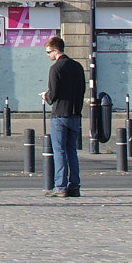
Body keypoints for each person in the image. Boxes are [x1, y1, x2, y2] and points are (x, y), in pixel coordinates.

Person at [42, 36, 86, 197]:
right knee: (72, 151)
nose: (48, 56)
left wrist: (45, 96)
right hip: (75, 113)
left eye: (48, 52)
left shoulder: (55, 69)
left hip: (60, 114)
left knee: (59, 151)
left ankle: (60, 186)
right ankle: (74, 185)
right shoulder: (78, 67)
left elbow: (53, 94)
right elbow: (82, 90)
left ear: (55, 50)